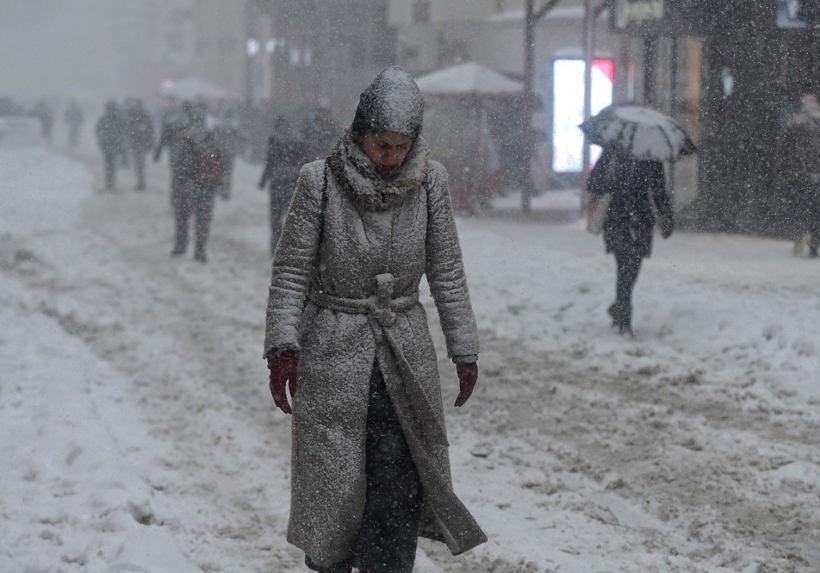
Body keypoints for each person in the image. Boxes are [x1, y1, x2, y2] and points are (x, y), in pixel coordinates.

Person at [263, 66, 486, 573]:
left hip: (403, 352)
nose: (390, 156)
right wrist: (282, 348)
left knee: (397, 480)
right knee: (334, 483)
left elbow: (446, 271)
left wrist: (464, 349)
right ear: (361, 135)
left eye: (400, 146)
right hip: (332, 351)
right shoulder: (318, 183)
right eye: (381, 145)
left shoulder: (431, 183)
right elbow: (292, 271)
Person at [586, 146, 674, 335]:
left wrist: (666, 216)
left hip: (641, 220)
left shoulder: (652, 157)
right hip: (617, 217)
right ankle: (625, 320)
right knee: (624, 265)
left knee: (633, 266)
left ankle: (619, 307)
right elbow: (594, 184)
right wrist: (617, 186)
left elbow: (659, 190)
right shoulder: (612, 152)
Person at [776, 93, 820, 257]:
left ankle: (800, 233)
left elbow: (783, 148)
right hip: (818, 174)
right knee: (817, 209)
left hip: (798, 173)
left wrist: (782, 169)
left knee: (799, 206)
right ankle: (815, 243)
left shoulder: (794, 122)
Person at [258, 116, 306, 255]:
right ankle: (290, 247)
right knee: (291, 216)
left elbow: (270, 161)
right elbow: (303, 160)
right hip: (292, 182)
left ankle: (275, 245)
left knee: (275, 216)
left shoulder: (275, 140)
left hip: (277, 182)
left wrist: (263, 180)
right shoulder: (297, 141)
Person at [125, 99, 155, 191]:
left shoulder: (136, 116)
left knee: (139, 164)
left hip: (139, 143)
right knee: (139, 164)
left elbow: (150, 130)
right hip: (138, 143)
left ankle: (141, 182)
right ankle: (140, 182)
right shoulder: (140, 116)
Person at [95, 101, 124, 190]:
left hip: (108, 144)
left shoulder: (104, 119)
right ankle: (111, 183)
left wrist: (102, 137)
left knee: (109, 164)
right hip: (112, 144)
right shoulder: (116, 119)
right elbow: (123, 131)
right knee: (111, 164)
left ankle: (109, 183)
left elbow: (97, 130)